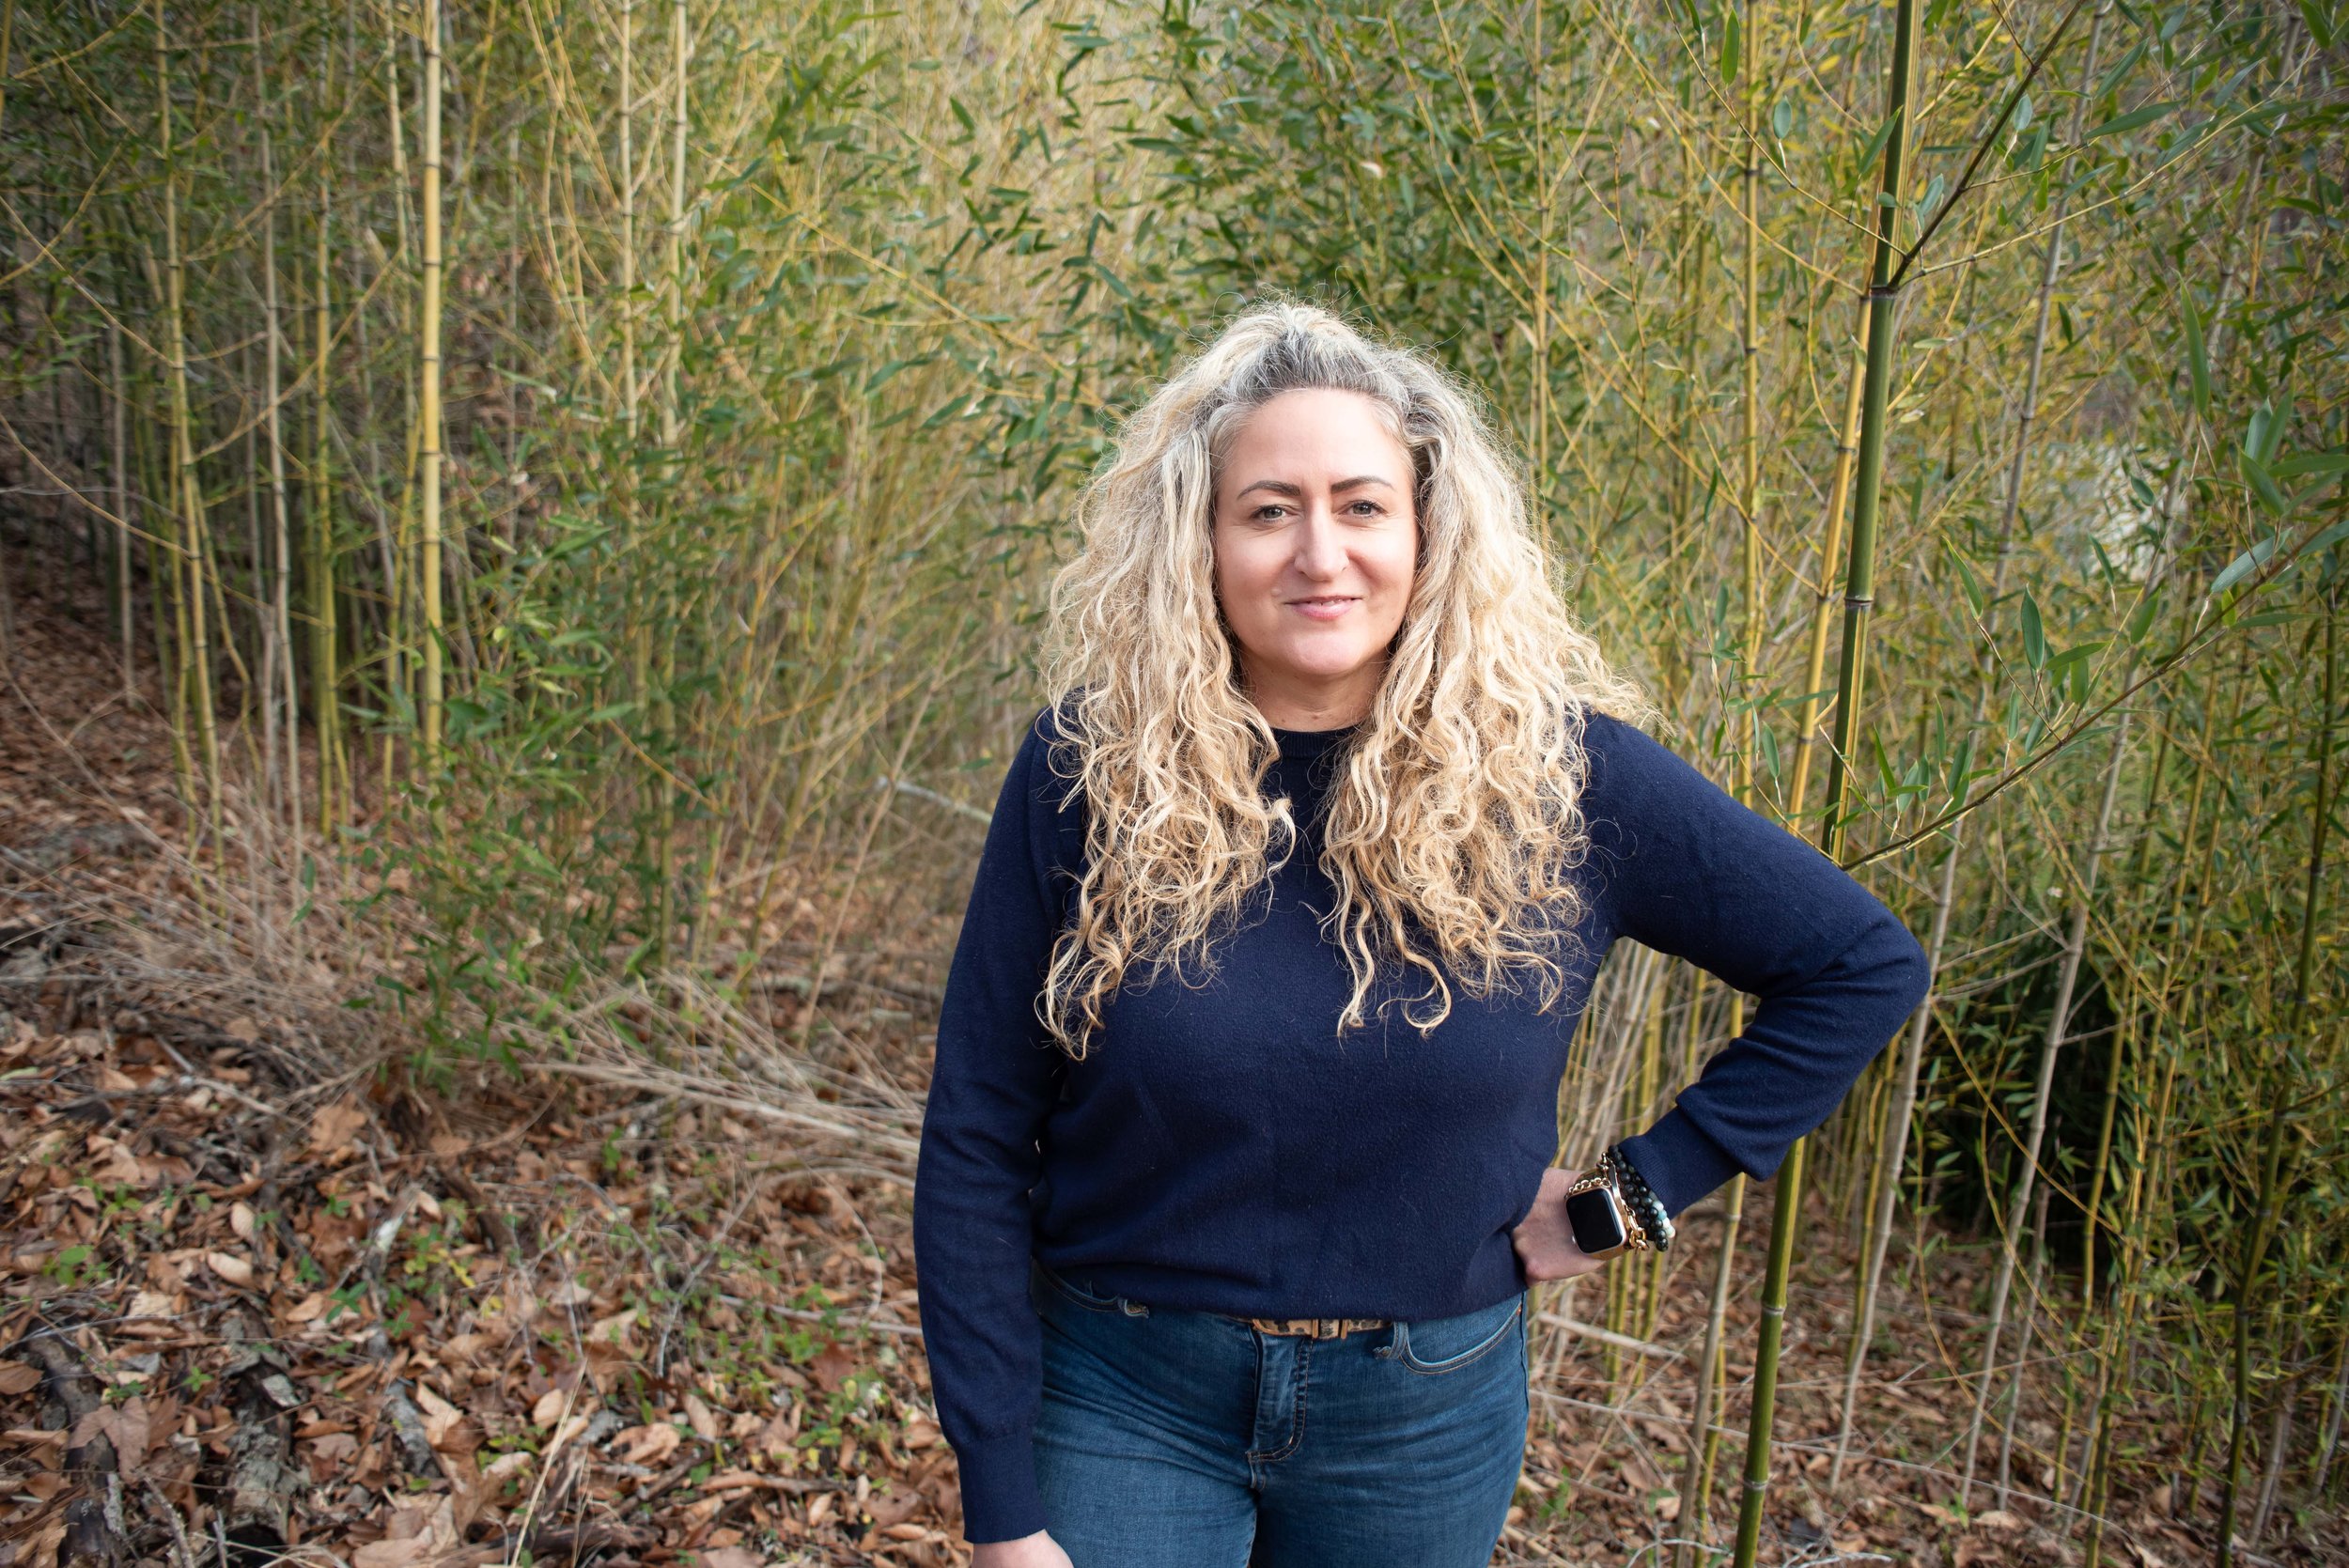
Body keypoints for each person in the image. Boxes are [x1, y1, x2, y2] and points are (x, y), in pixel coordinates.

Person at [910, 299, 1931, 1567]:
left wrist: (1639, 1192)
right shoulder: (1088, 771)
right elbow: (972, 1134)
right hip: (1123, 1389)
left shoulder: (1564, 779)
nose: (1319, 553)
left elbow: (1859, 964)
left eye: (1361, 504)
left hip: (1420, 1421)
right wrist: (1001, 1501)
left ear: (1428, 531)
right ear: (1200, 541)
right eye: (1269, 508)